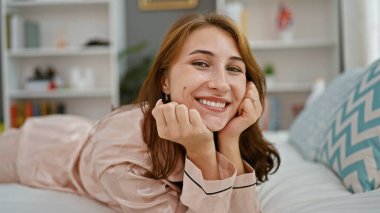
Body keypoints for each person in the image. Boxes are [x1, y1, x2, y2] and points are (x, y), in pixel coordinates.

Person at [0, 13, 280, 212]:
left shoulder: (229, 132)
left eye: (233, 68)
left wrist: (230, 141)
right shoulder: (123, 151)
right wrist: (202, 152)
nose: (220, 84)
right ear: (165, 81)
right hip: (36, 148)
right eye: (201, 63)